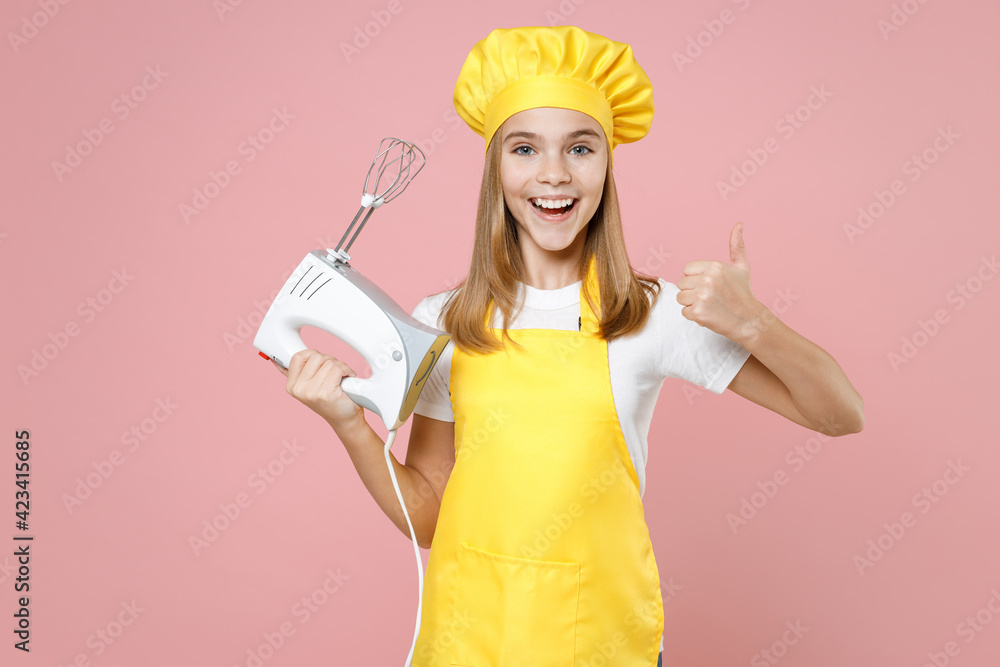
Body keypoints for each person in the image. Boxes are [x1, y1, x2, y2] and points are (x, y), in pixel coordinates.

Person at [272, 25, 865, 667]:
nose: (553, 174)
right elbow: (430, 521)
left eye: (580, 149)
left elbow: (840, 415)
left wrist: (755, 323)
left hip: (599, 643)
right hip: (465, 643)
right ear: (496, 168)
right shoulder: (444, 320)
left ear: (607, 165)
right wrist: (349, 425)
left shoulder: (651, 313)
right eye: (524, 149)